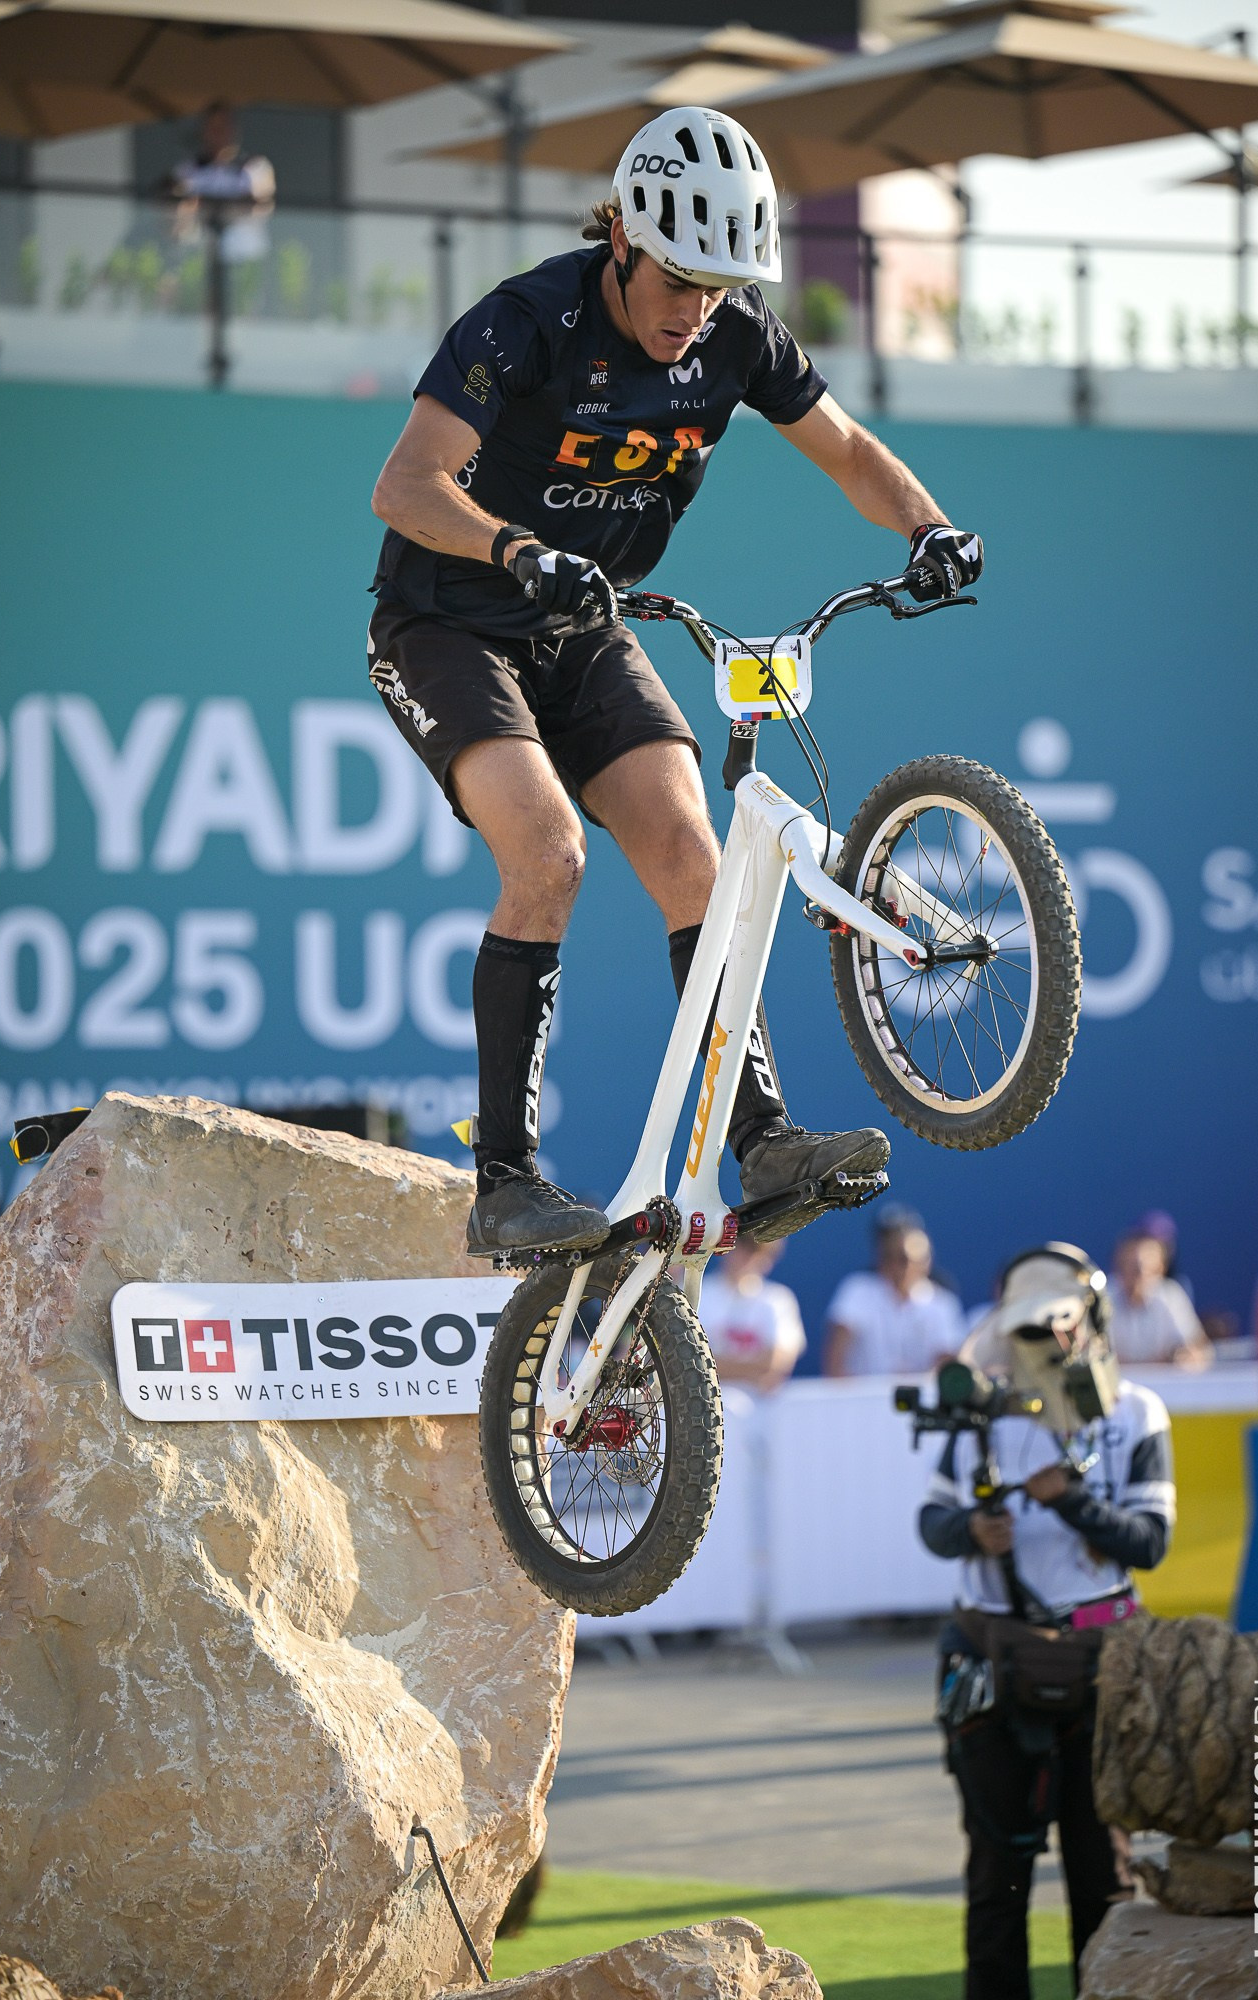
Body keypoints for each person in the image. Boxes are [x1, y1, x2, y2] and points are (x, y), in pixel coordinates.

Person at [367, 105, 983, 1257]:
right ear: (624, 240)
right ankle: (504, 1175)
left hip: (586, 623)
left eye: (719, 284)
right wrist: (513, 547)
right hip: (446, 622)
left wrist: (929, 526)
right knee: (550, 854)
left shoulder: (736, 336)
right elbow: (403, 487)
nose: (692, 308)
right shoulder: (527, 320)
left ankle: (760, 1138)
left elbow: (847, 449)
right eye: (678, 279)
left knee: (694, 855)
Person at [918, 1243, 1175, 2000]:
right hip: (993, 1657)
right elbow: (931, 1522)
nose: (1045, 1342)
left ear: (1089, 1319)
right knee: (996, 1870)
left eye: (1057, 1324)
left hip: (1100, 1659)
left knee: (1104, 1870)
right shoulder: (981, 1412)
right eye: (1031, 1327)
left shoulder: (1135, 1411)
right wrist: (973, 1531)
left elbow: (1149, 1544)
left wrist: (1069, 1499)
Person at [823, 1210, 966, 1375]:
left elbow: (946, 1361)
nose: (897, 1266)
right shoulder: (857, 1291)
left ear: (926, 1262)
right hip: (863, 1399)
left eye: (904, 1259)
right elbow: (836, 1358)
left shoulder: (943, 1303)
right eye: (888, 1256)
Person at [695, 1233, 806, 1393]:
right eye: (741, 1246)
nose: (746, 1256)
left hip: (761, 1410)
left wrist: (714, 1367)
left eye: (756, 1250)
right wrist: (753, 1370)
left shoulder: (780, 1300)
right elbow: (692, 1363)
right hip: (703, 1402)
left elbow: (776, 1365)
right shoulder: (696, 1294)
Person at [170, 103, 275, 267]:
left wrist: (205, 204)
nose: (218, 132)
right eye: (213, 126)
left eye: (224, 126)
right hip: (199, 260)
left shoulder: (256, 168)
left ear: (235, 129)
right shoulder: (187, 171)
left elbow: (261, 204)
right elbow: (180, 212)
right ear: (203, 130)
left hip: (245, 258)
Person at [1108, 1228, 1211, 1369]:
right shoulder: (1101, 1297)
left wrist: (1185, 1356)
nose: (1138, 1274)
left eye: (1145, 1268)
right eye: (1131, 1266)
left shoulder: (1171, 1295)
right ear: (1119, 1266)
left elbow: (1198, 1346)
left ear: (1160, 1268)